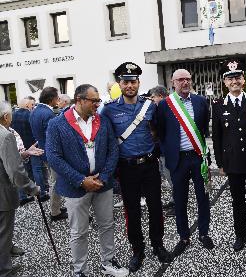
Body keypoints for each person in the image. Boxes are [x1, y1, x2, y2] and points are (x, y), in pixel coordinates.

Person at [46, 84, 128, 277]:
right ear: (80, 100)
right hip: (75, 187)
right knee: (79, 231)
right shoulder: (57, 124)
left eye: (98, 100)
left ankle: (108, 262)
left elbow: (112, 150)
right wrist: (81, 180)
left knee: (106, 225)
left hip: (102, 184)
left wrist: (105, 176)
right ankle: (80, 270)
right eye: (94, 100)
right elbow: (54, 157)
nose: (98, 104)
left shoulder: (103, 121)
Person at [101, 62, 170, 272]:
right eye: (125, 82)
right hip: (126, 168)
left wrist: (157, 153)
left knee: (155, 207)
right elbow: (105, 138)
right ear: (119, 84)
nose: (130, 85)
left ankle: (158, 244)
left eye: (133, 81)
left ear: (139, 83)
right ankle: (137, 250)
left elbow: (159, 132)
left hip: (149, 165)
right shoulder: (109, 110)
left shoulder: (150, 106)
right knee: (132, 211)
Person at [156, 69, 214, 256]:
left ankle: (204, 233)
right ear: (173, 83)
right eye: (181, 80)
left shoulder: (200, 101)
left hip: (198, 158)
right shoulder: (165, 105)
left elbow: (204, 127)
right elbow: (161, 133)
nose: (185, 82)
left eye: (188, 79)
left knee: (203, 197)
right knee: (180, 200)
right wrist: (168, 153)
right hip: (178, 160)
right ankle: (184, 236)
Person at [212, 59, 246, 251]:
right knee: (237, 201)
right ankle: (240, 236)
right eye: (230, 78)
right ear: (225, 82)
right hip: (232, 162)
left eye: (237, 77)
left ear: (243, 80)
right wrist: (220, 162)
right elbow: (217, 136)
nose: (234, 81)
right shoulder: (218, 104)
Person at [0, 101, 40, 277]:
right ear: (6, 117)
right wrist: (32, 188)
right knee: (3, 234)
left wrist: (23, 154)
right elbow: (15, 171)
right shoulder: (5, 135)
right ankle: (4, 271)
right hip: (2, 193)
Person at [30, 86, 67, 221]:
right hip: (51, 152)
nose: (58, 100)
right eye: (57, 98)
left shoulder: (35, 111)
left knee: (54, 180)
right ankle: (55, 211)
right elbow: (52, 136)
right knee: (56, 182)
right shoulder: (48, 114)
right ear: (51, 99)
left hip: (43, 150)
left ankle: (56, 207)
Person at [149, 85, 175, 216]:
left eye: (153, 97)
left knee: (172, 178)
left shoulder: (169, 109)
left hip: (169, 151)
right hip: (162, 150)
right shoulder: (160, 109)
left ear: (161, 96)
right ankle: (174, 199)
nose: (152, 100)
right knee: (168, 176)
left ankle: (178, 204)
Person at [11, 97, 37, 206]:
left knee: (21, 171)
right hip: (29, 146)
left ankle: (22, 195)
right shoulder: (30, 115)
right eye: (32, 105)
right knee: (30, 171)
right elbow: (33, 131)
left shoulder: (13, 114)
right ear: (27, 105)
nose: (33, 107)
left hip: (17, 147)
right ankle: (28, 193)